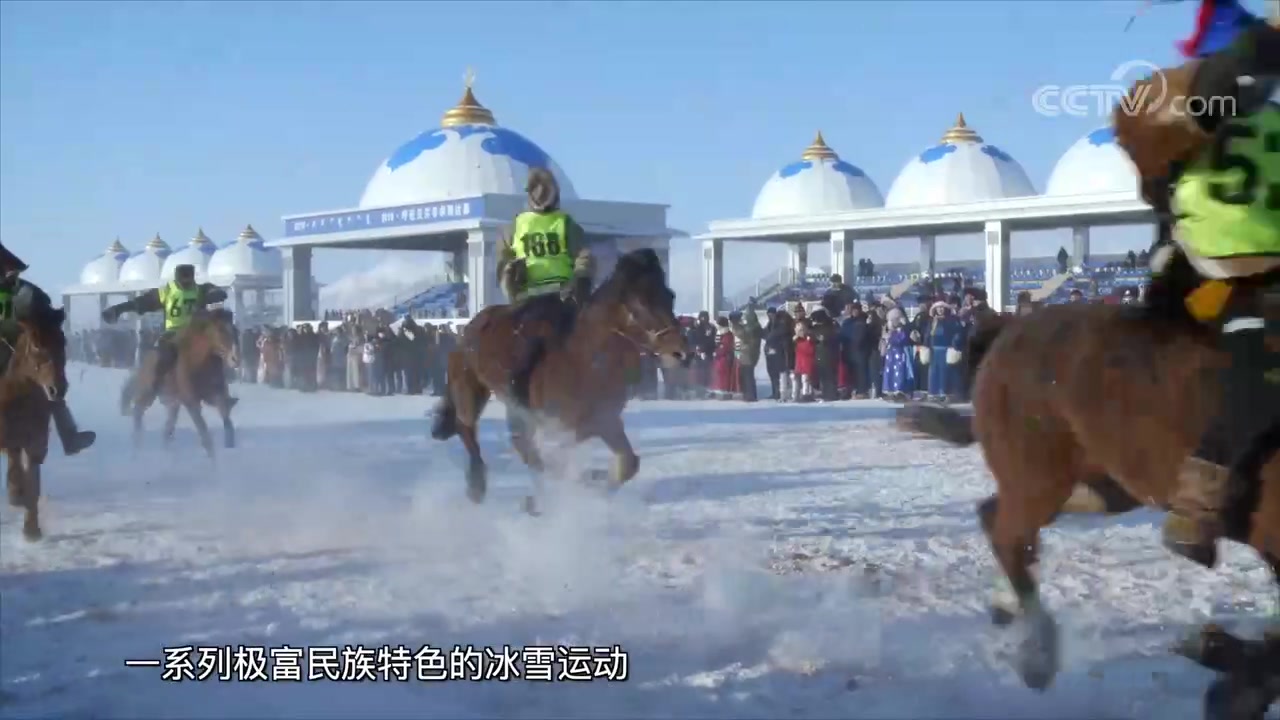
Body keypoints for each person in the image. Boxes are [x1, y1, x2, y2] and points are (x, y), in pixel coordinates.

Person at [1114, 0, 1279, 568]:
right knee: (1258, 373)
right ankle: (1197, 500)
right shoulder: (1180, 113)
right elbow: (1214, 93)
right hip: (1213, 275)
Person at [499, 167, 594, 407]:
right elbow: (503, 259)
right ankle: (521, 394)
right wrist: (509, 272)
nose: (541, 196)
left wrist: (581, 274)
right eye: (537, 191)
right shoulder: (518, 225)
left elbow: (583, 254)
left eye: (544, 191)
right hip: (531, 298)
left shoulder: (563, 223)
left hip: (561, 295)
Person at [0, 241, 96, 455]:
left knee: (50, 382)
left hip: (23, 346)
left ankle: (69, 435)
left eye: (3, 264)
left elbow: (46, 315)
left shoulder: (27, 291)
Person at [100, 264, 230, 399]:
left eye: (189, 281)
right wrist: (118, 309)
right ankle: (155, 386)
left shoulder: (201, 289)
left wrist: (214, 295)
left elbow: (219, 292)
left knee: (216, 354)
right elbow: (141, 302)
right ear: (177, 278)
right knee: (164, 357)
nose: (186, 284)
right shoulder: (166, 292)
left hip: (198, 332)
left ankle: (221, 390)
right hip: (173, 332)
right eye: (183, 281)